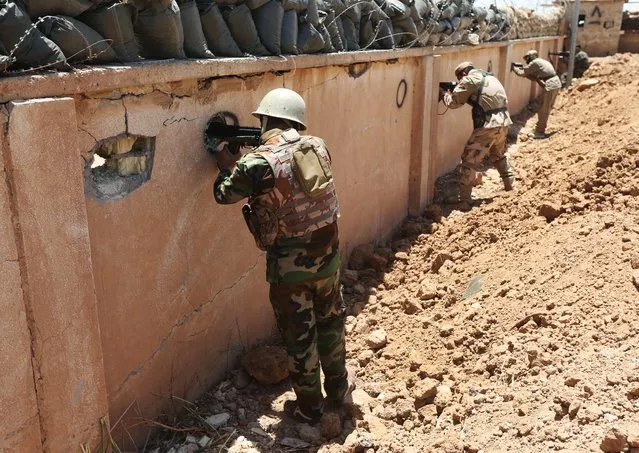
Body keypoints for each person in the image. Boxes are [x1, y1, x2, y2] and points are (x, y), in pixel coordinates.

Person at [213, 88, 351, 425]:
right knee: (331, 324)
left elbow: (224, 195)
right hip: (329, 257)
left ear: (266, 119)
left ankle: (310, 409)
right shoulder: (317, 145)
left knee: (300, 338)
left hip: (291, 271)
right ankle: (339, 393)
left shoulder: (257, 162)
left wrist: (225, 165)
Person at [441, 61, 515, 203]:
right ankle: (511, 187)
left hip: (488, 126)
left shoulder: (469, 79)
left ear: (463, 74)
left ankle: (464, 200)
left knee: (469, 161)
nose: (460, 82)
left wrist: (444, 93)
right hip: (503, 123)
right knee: (499, 156)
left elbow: (453, 103)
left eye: (459, 79)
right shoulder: (490, 77)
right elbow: (483, 98)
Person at [512, 49, 562, 138]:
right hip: (555, 83)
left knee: (543, 110)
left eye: (527, 58)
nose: (526, 61)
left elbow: (521, 73)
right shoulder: (542, 62)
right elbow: (534, 78)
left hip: (551, 85)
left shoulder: (535, 63)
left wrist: (514, 68)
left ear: (531, 57)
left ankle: (539, 132)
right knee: (545, 108)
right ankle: (540, 129)